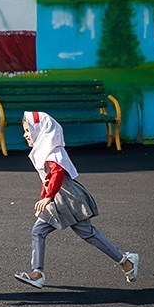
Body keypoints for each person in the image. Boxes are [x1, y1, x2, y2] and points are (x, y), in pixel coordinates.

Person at [13, 111, 139, 289]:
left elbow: (57, 173)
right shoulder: (43, 150)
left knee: (88, 233)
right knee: (38, 231)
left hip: (69, 199)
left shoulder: (53, 151)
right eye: (25, 131)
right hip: (56, 200)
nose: (25, 135)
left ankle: (126, 262)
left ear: (40, 130)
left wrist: (48, 197)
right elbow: (47, 179)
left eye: (28, 130)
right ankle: (37, 273)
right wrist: (45, 197)